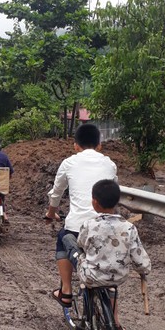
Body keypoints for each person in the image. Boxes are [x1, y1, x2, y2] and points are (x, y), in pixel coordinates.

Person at [62, 179, 151, 330]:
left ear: (94, 202)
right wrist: (143, 270)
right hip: (117, 276)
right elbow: (139, 258)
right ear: (117, 202)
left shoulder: (89, 224)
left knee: (68, 240)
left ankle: (68, 290)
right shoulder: (129, 227)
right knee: (110, 280)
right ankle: (115, 323)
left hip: (91, 275)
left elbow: (81, 243)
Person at [44, 123, 117, 308]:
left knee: (62, 239)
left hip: (78, 228)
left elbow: (56, 193)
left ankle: (66, 291)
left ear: (75, 145)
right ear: (99, 145)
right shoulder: (109, 164)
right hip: (106, 227)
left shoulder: (69, 163)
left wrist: (51, 212)